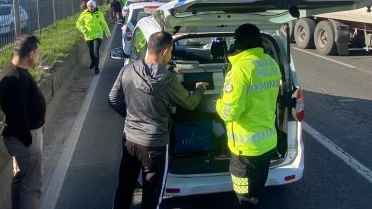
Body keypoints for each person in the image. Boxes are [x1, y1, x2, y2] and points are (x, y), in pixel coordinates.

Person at [108, 31, 209, 209]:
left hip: (130, 140)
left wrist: (132, 117)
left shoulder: (127, 70)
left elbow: (113, 100)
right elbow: (190, 103)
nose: (170, 57)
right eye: (170, 53)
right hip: (155, 145)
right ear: (165, 51)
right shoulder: (168, 79)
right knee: (152, 193)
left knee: (125, 184)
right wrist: (200, 88)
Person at [215, 23, 282, 208]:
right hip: (267, 143)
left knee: (245, 199)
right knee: (256, 192)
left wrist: (217, 103)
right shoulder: (271, 63)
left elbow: (229, 113)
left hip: (246, 149)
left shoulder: (238, 71)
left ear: (236, 43)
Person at [0, 35, 45, 209]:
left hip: (26, 136)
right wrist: (28, 141)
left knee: (21, 177)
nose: (37, 57)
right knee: (32, 184)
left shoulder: (15, 72)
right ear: (31, 54)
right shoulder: (14, 78)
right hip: (25, 138)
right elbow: (16, 114)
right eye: (37, 53)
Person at [75, 0, 111, 74]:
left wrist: (107, 32)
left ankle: (96, 68)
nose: (90, 7)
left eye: (92, 6)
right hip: (88, 36)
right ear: (87, 7)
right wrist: (83, 29)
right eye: (89, 6)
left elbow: (104, 24)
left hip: (98, 35)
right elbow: (78, 23)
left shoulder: (99, 14)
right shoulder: (83, 15)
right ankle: (93, 62)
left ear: (94, 6)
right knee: (91, 51)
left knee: (96, 51)